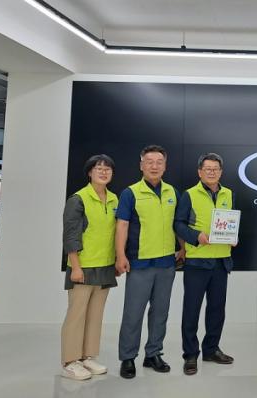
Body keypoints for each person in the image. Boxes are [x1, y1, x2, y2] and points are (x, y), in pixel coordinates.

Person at [115, 145, 181, 379]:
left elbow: (178, 223)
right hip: (139, 262)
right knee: (133, 313)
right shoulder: (130, 193)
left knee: (160, 313)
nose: (154, 166)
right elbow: (122, 225)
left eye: (159, 162)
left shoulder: (173, 192)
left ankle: (153, 354)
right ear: (141, 165)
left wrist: (183, 248)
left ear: (165, 166)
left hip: (166, 264)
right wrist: (120, 255)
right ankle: (128, 357)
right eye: (149, 162)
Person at [174, 153, 236, 375]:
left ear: (221, 172)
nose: (211, 172)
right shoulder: (189, 194)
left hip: (221, 261)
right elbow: (178, 224)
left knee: (217, 310)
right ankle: (190, 354)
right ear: (199, 172)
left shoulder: (229, 194)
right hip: (197, 262)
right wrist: (195, 236)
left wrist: (233, 236)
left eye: (215, 169)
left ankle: (211, 349)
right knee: (191, 310)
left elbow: (231, 221)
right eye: (207, 169)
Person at [60, 154, 118, 380]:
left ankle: (87, 357)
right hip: (82, 267)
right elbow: (71, 236)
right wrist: (75, 267)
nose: (103, 172)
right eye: (98, 168)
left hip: (105, 266)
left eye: (107, 169)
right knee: (77, 315)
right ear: (89, 172)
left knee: (95, 314)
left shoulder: (114, 199)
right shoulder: (78, 199)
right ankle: (70, 361)